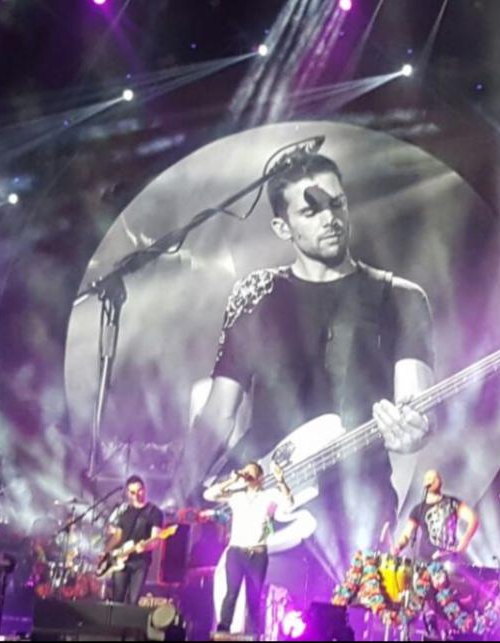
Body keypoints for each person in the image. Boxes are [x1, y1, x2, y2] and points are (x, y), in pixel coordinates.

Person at [179, 148, 436, 592]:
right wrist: (178, 494)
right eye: (311, 210)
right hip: (266, 508)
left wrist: (413, 433)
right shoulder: (255, 295)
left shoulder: (401, 297)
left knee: (344, 621)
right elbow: (219, 413)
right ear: (283, 227)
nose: (330, 218)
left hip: (356, 507)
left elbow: (417, 404)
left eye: (337, 204)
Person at [204, 461, 293, 636]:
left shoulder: (269, 495)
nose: (247, 475)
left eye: (250, 472)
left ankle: (253, 633)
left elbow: (289, 504)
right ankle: (223, 631)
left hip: (257, 554)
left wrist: (281, 480)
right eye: (245, 472)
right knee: (231, 593)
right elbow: (209, 495)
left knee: (254, 596)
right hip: (236, 552)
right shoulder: (236, 497)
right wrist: (232, 480)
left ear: (260, 477)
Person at [102, 475, 165, 604]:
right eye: (132, 492)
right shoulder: (124, 511)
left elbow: (156, 541)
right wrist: (106, 551)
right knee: (117, 599)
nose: (136, 495)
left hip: (140, 563)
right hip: (120, 559)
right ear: (127, 493)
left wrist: (145, 547)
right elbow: (118, 536)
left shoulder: (154, 512)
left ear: (145, 489)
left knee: (133, 600)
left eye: (139, 490)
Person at [392, 470, 479, 562]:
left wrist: (464, 542)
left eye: (434, 478)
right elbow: (406, 534)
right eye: (428, 478)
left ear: (440, 481)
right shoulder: (418, 509)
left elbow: (473, 519)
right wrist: (398, 546)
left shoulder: (452, 502)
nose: (431, 480)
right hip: (425, 561)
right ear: (424, 483)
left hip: (447, 560)